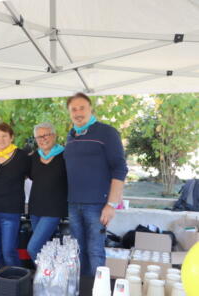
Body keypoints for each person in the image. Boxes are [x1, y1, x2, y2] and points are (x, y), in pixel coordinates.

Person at [63, 92, 128, 276]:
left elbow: (120, 168)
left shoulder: (107, 132)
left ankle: (97, 294)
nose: (78, 112)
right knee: (78, 252)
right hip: (74, 204)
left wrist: (111, 204)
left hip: (97, 205)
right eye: (73, 109)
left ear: (91, 108)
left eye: (81, 107)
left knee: (95, 251)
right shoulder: (71, 136)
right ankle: (83, 294)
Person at [0, 122, 29, 266]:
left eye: (4, 135)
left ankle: (15, 282)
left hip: (10, 211)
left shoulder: (21, 156)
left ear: (11, 137)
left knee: (9, 251)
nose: (0, 139)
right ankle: (0, 281)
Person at [26, 122, 68, 261]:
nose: (43, 139)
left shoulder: (65, 156)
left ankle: (46, 275)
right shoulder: (32, 158)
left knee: (33, 248)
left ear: (54, 135)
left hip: (54, 210)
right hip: (35, 208)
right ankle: (49, 278)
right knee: (45, 248)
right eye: (39, 137)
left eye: (46, 135)